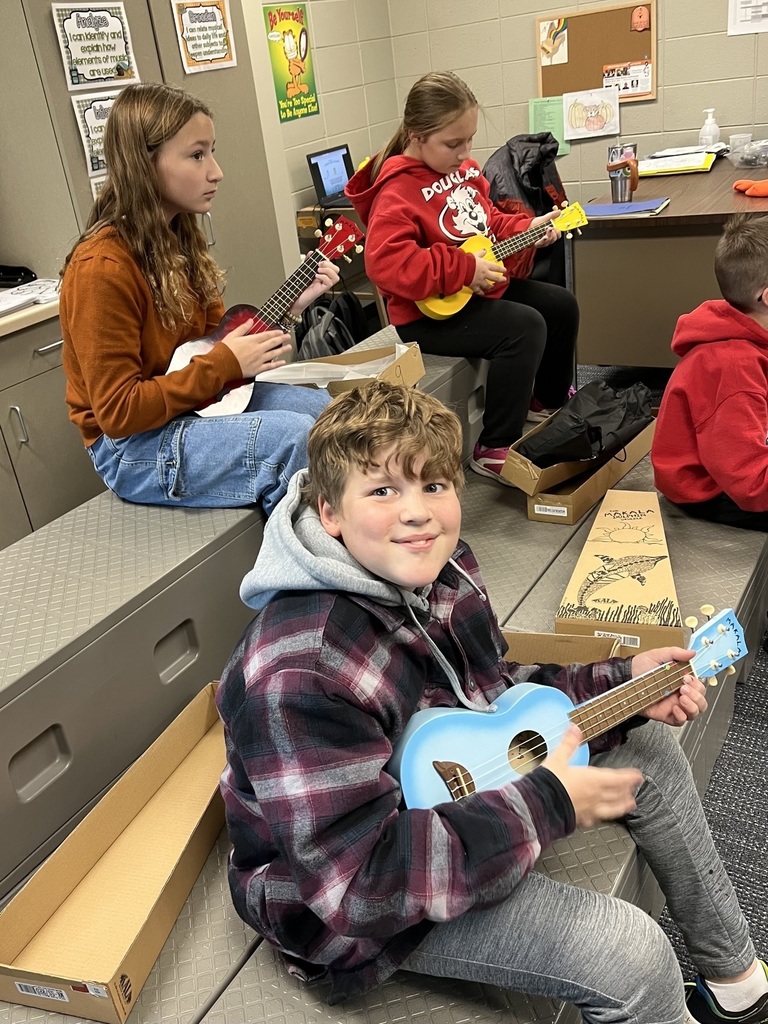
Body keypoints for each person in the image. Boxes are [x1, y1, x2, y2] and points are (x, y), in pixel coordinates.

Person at [216, 380, 767, 1024]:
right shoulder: (304, 666)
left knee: (647, 748)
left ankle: (736, 981)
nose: (417, 512)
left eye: (434, 485)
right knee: (631, 954)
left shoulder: (439, 570)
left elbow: (495, 700)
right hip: (351, 906)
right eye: (383, 490)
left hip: (445, 802)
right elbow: (358, 890)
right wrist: (550, 801)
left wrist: (623, 682)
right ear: (330, 513)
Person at [59, 82, 339, 516]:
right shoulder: (100, 269)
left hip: (192, 408)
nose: (216, 171)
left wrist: (289, 313)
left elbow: (206, 345)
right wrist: (228, 362)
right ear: (144, 164)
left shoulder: (179, 237)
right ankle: (312, 572)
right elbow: (117, 412)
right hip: (129, 447)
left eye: (212, 151)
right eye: (197, 155)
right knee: (293, 437)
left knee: (323, 411)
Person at [344, 71, 579, 486]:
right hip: (426, 315)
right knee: (525, 327)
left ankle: (546, 400)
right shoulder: (396, 191)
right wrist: (463, 270)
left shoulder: (466, 171)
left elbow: (487, 224)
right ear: (416, 136)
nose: (465, 152)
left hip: (478, 291)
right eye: (453, 143)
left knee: (561, 305)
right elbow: (386, 263)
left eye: (469, 139)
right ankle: (494, 446)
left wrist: (528, 228)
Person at [652, 213, 768, 531]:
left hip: (739, 461)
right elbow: (751, 485)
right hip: (712, 491)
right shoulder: (734, 368)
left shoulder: (750, 327)